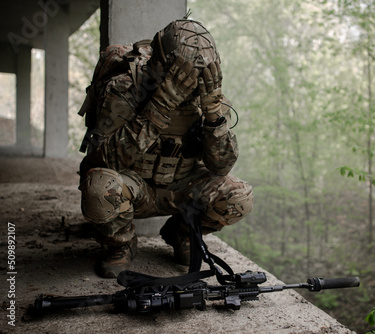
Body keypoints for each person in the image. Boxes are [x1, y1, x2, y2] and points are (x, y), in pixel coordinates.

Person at [78, 19, 253, 278]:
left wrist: (214, 114)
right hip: (135, 187)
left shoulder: (208, 99)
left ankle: (181, 232)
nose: (192, 81)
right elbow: (106, 160)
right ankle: (121, 244)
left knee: (239, 197)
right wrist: (161, 104)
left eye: (199, 73)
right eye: (185, 72)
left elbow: (221, 167)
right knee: (99, 187)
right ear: (160, 65)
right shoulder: (127, 88)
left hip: (181, 188)